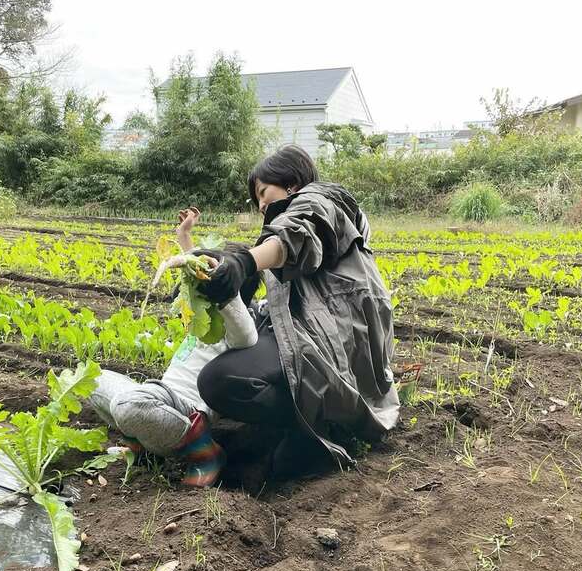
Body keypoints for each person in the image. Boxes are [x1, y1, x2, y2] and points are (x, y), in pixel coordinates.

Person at [194, 145, 399, 478]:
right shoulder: (300, 216)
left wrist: (245, 262)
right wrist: (226, 267)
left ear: (291, 183)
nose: (260, 204)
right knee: (231, 362)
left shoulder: (322, 201)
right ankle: (304, 422)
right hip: (318, 332)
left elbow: (297, 235)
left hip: (340, 342)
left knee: (220, 380)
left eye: (263, 192)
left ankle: (320, 431)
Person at [89, 207, 259, 487]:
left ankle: (205, 454)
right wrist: (184, 236)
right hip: (162, 395)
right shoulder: (203, 310)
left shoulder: (239, 323)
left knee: (128, 406)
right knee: (93, 380)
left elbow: (247, 337)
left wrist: (227, 293)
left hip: (188, 409)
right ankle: (144, 448)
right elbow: (194, 264)